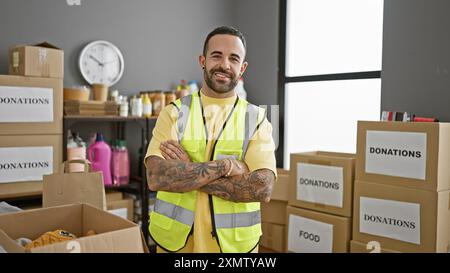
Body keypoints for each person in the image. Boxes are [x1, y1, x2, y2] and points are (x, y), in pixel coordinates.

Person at [144, 26, 277, 253]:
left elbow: (262, 188)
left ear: (242, 68)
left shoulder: (256, 119)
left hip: (233, 248)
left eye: (233, 58)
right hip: (177, 244)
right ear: (203, 60)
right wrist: (228, 166)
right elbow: (157, 176)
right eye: (216, 55)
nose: (224, 65)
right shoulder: (174, 112)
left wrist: (187, 171)